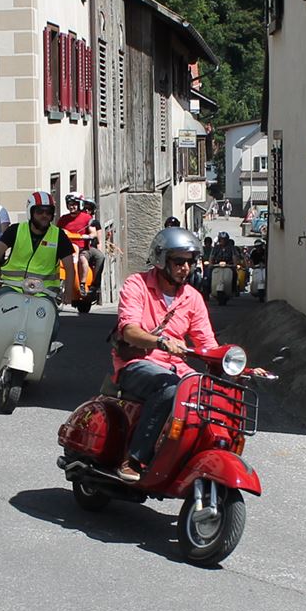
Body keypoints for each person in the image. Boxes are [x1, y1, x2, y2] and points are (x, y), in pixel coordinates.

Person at [108, 226, 216, 484]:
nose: (185, 268)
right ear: (161, 259)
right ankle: (134, 458)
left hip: (177, 368)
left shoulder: (192, 298)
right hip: (138, 363)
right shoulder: (137, 285)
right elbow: (129, 330)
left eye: (190, 262)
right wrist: (161, 342)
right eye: (178, 261)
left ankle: (186, 456)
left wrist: (237, 364)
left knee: (212, 394)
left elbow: (207, 343)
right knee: (170, 389)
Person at [0, 192, 76, 298]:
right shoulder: (15, 230)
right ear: (30, 212)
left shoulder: (59, 235)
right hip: (12, 287)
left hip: (44, 291)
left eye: (48, 212)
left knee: (49, 308)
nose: (44, 215)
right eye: (39, 211)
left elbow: (69, 267)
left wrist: (68, 292)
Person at [57, 194, 97, 296]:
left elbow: (93, 232)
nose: (72, 207)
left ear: (80, 205)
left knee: (83, 260)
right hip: (65, 247)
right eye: (70, 204)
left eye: (74, 204)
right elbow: (56, 231)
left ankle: (82, 284)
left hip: (82, 248)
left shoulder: (87, 218)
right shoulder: (63, 219)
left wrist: (88, 236)